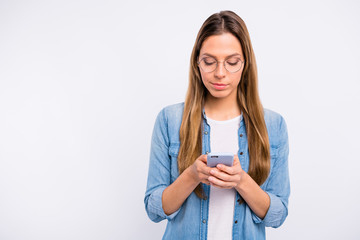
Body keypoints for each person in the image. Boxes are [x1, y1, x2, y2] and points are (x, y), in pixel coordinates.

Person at [144, 10, 290, 240]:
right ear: (197, 63)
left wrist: (241, 181)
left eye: (232, 62)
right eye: (209, 62)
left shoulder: (273, 125)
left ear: (245, 64)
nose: (220, 73)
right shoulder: (169, 120)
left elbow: (277, 216)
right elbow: (154, 209)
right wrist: (192, 175)